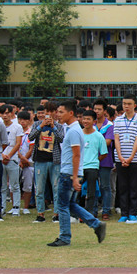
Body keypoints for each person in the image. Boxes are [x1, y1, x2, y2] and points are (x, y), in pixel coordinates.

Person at [47, 100, 107, 247]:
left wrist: (74, 177)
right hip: (71, 172)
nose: (58, 115)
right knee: (70, 204)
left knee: (62, 205)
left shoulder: (73, 131)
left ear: (71, 113)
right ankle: (96, 224)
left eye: (61, 112)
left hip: (69, 173)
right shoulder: (73, 129)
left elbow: (76, 155)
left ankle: (65, 237)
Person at [28, 101, 64, 223]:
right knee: (39, 189)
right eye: (46, 112)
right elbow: (30, 137)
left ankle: (56, 214)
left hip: (55, 160)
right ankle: (40, 213)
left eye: (51, 111)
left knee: (56, 188)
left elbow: (61, 139)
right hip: (40, 159)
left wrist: (53, 127)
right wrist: (41, 126)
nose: (48, 114)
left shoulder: (59, 126)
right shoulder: (37, 124)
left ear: (55, 113)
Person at [113, 93, 137, 224]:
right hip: (120, 158)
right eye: (124, 104)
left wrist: (131, 157)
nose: (126, 106)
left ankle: (133, 213)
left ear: (134, 105)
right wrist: (120, 156)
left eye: (129, 104)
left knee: (134, 186)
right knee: (122, 186)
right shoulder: (117, 120)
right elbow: (116, 139)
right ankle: (124, 213)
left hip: (135, 159)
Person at [80, 110, 108, 217]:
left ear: (94, 121)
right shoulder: (78, 134)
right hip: (79, 167)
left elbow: (104, 153)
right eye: (84, 119)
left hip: (92, 167)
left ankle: (89, 214)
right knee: (77, 191)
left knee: (91, 192)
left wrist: (95, 160)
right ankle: (78, 213)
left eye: (88, 119)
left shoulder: (98, 136)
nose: (85, 121)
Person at [0, 105, 23, 217]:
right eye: (3, 113)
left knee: (15, 185)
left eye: (7, 113)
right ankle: (2, 208)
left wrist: (8, 156)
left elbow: (18, 144)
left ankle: (16, 207)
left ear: (12, 113)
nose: (5, 115)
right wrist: (2, 155)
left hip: (12, 159)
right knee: (2, 186)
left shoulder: (17, 127)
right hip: (0, 159)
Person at [93, 98, 115, 220]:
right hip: (91, 160)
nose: (97, 111)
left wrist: (93, 143)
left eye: (99, 109)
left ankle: (106, 210)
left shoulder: (109, 125)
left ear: (104, 111)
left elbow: (108, 142)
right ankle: (93, 210)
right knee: (93, 186)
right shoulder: (91, 124)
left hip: (105, 160)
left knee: (105, 186)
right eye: (95, 109)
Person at [17, 110, 35, 214]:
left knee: (28, 186)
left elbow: (31, 149)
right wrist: (21, 158)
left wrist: (24, 159)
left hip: (28, 162)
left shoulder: (31, 133)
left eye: (24, 119)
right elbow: (14, 146)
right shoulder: (16, 132)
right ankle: (15, 206)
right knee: (13, 185)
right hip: (17, 161)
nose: (22, 121)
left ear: (29, 121)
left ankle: (25, 207)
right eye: (20, 119)